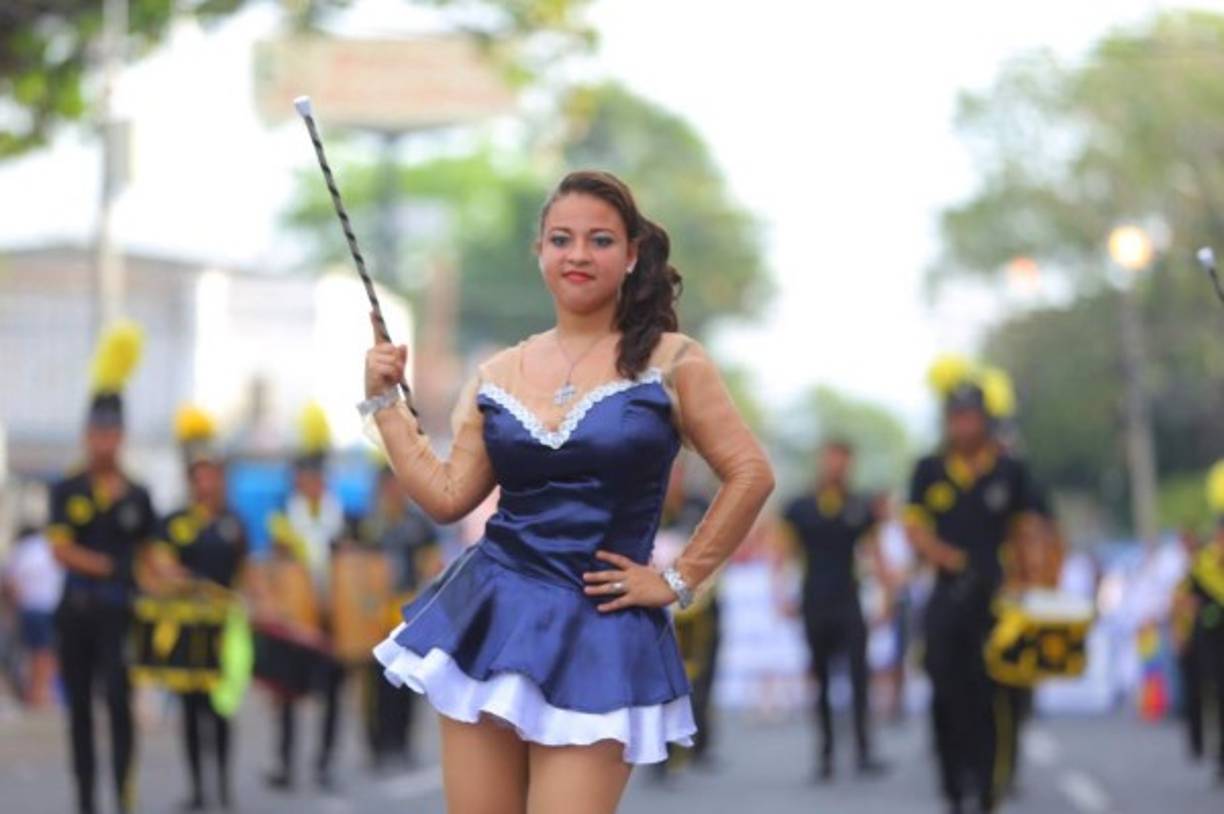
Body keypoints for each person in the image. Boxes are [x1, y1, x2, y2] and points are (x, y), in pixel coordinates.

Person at [365, 170, 774, 814]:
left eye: (600, 240)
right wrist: (388, 402)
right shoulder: (498, 372)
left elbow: (750, 473)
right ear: (540, 254)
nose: (578, 254)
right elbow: (448, 497)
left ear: (632, 254)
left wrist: (677, 580)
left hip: (600, 630)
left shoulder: (673, 361)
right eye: (561, 239)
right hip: (489, 615)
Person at [904, 358, 1050, 814]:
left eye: (970, 416)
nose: (962, 425)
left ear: (985, 420)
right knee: (946, 695)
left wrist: (1034, 578)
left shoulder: (1010, 470)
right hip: (948, 596)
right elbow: (914, 529)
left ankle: (990, 792)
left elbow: (1029, 531)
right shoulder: (928, 469)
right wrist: (944, 557)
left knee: (995, 700)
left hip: (996, 599)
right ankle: (953, 788)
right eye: (955, 416)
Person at [48, 322, 157, 814]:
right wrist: (109, 564)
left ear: (122, 436)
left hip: (119, 616)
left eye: (111, 432)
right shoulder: (66, 488)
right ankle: (86, 800)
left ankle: (124, 798)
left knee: (119, 708)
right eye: (96, 432)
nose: (103, 442)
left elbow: (154, 555)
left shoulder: (138, 493)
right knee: (79, 717)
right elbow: (59, 549)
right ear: (86, 435)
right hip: (75, 614)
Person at [148, 405, 249, 810]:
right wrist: (184, 580)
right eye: (200, 473)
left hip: (225, 629)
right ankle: (198, 789)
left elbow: (246, 571)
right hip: (188, 629)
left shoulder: (233, 523)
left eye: (214, 473)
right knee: (190, 713)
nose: (208, 481)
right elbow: (157, 564)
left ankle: (223, 787)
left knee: (222, 709)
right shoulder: (174, 522)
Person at [775, 440, 889, 781]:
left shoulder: (860, 506)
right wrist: (780, 592)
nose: (836, 467)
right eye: (831, 459)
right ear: (821, 462)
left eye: (843, 460)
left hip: (849, 601)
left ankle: (864, 750)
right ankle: (825, 754)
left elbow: (875, 552)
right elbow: (783, 553)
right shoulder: (800, 507)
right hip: (815, 600)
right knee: (821, 678)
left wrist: (886, 594)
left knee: (858, 676)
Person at [265, 403, 348, 792]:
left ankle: (325, 764)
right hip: (295, 619)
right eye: (305, 476)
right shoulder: (283, 515)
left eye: (316, 476)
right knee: (287, 695)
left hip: (330, 618)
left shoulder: (341, 517)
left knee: (331, 696)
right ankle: (286, 763)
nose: (311, 483)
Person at [353, 464, 443, 770]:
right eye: (389, 485)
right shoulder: (369, 524)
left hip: (405, 611)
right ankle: (377, 746)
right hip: (374, 612)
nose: (394, 491)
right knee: (374, 684)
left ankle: (402, 744)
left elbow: (433, 559)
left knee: (405, 681)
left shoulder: (416, 523)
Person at [3, 522, 64, 707]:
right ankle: (40, 694)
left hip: (30, 607)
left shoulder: (22, 550)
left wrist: (15, 605)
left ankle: (36, 693)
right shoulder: (52, 547)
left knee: (34, 653)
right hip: (51, 608)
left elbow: (9, 582)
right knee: (46, 653)